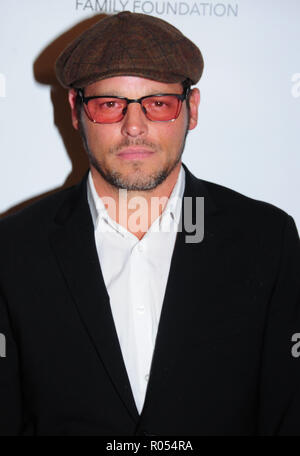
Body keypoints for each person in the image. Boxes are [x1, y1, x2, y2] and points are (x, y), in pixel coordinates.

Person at [0, 11, 299, 437]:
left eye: (158, 104)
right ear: (75, 110)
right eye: (109, 104)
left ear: (191, 109)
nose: (134, 127)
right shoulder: (15, 250)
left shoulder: (267, 241)